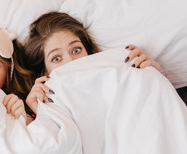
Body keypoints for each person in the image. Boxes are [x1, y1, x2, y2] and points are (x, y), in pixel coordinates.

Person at [22, 11, 161, 114]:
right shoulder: (35, 115)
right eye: (56, 58)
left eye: (76, 50)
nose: (72, 62)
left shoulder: (121, 78)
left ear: (89, 52)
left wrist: (152, 77)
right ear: (44, 72)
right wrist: (42, 113)